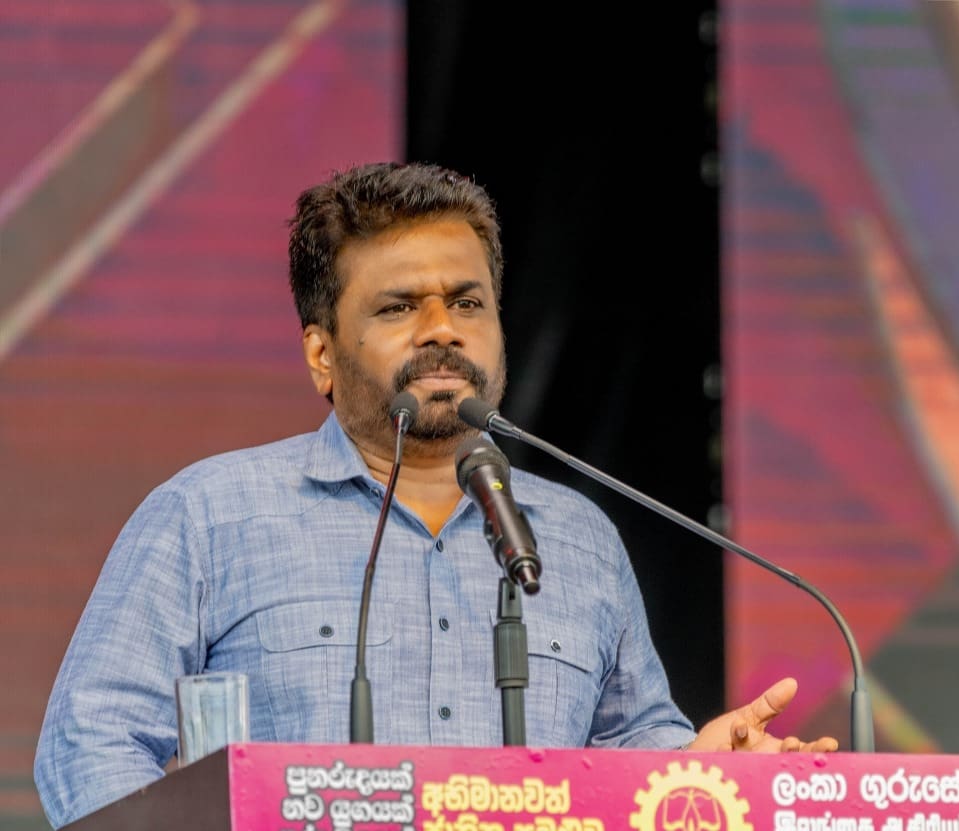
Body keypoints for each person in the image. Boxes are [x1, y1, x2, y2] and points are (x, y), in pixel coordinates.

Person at [33, 162, 837, 828]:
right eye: (398, 306)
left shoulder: (577, 536)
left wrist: (698, 767)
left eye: (466, 302)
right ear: (321, 354)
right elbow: (89, 743)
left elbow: (630, 750)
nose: (442, 327)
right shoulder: (209, 515)